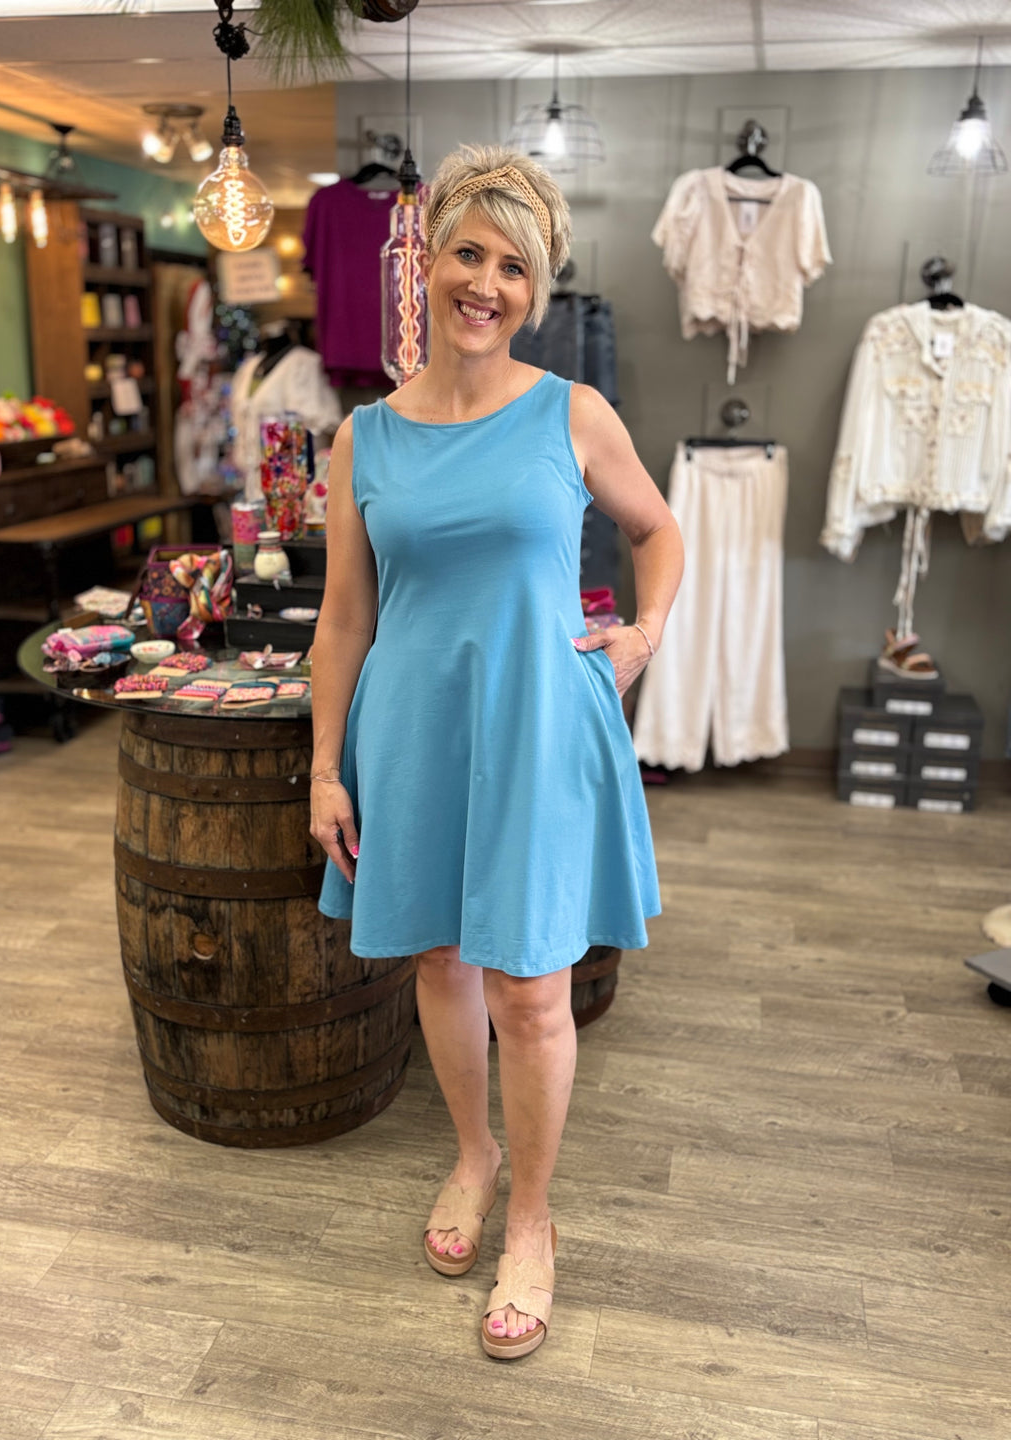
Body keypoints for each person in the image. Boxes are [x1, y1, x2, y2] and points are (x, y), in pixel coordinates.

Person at [309, 144, 683, 1360]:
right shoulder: (365, 437)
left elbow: (657, 529)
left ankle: (533, 1217)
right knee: (438, 958)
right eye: (467, 253)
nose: (486, 284)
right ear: (427, 262)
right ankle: (471, 1157)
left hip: (538, 723)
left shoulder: (571, 413)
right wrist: (325, 767)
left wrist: (643, 636)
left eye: (513, 266)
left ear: (536, 287)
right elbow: (344, 618)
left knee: (529, 989)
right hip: (412, 728)